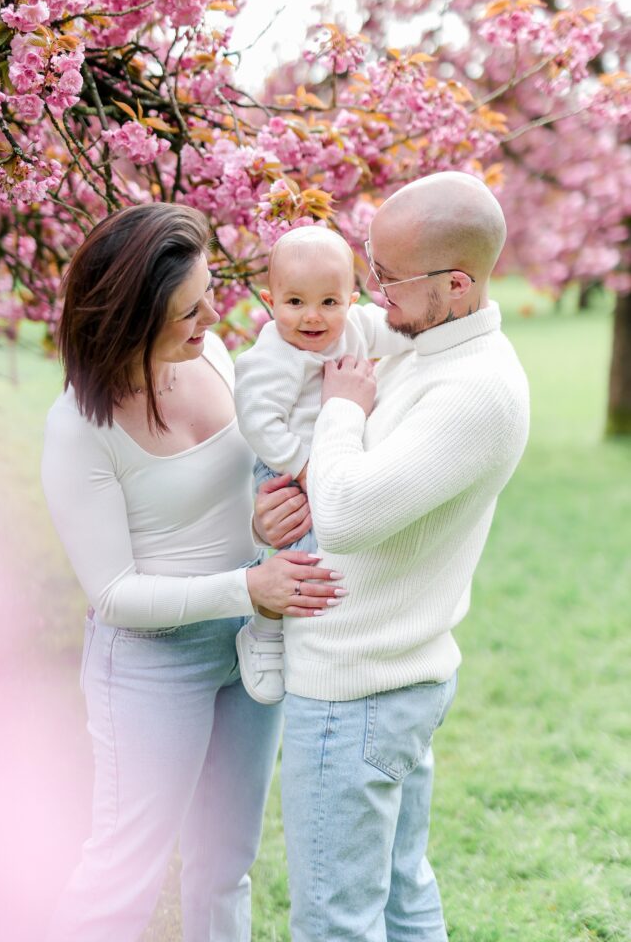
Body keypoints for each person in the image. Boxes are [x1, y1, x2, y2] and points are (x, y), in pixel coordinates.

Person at [40, 202, 345, 942]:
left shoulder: (209, 355)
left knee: (224, 866)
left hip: (249, 645)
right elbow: (112, 595)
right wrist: (247, 584)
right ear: (132, 318)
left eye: (209, 292)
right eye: (190, 309)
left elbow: (230, 492)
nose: (216, 312)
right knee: (124, 873)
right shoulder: (81, 429)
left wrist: (263, 520)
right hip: (151, 666)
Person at [255, 172, 531, 942]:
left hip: (358, 689)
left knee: (335, 920)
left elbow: (343, 514)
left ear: (455, 283)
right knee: (401, 898)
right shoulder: (426, 340)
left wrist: (342, 410)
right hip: (388, 676)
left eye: (387, 278)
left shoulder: (474, 389)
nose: (372, 296)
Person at [234, 225, 413, 704]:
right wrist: (303, 466)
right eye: (295, 303)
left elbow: (402, 332)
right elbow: (259, 423)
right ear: (271, 301)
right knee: (298, 557)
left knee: (342, 550)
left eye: (329, 303)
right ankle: (265, 631)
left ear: (350, 300)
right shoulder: (272, 358)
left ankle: (328, 627)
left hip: (336, 462)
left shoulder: (354, 328)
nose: (312, 317)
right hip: (287, 470)